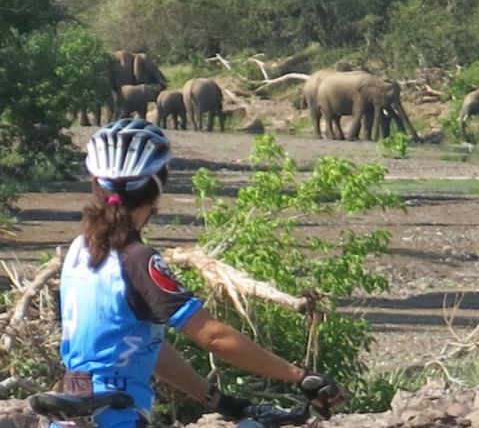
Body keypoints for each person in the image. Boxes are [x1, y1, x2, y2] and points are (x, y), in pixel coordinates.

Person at [57, 119, 343, 428]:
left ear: (95, 185)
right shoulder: (139, 260)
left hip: (72, 413)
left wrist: (222, 402)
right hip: (116, 416)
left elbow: (144, 346)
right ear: (157, 191)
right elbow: (214, 337)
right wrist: (299, 376)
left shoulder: (80, 249)